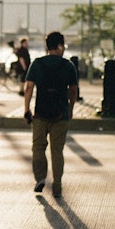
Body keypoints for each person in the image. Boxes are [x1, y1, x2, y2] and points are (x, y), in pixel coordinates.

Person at [23, 31, 78, 198]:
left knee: (38, 147)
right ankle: (57, 185)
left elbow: (29, 87)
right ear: (60, 46)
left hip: (40, 113)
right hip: (60, 114)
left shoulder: (37, 63)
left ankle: (40, 177)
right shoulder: (68, 65)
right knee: (57, 151)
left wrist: (27, 109)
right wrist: (70, 108)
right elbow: (73, 90)